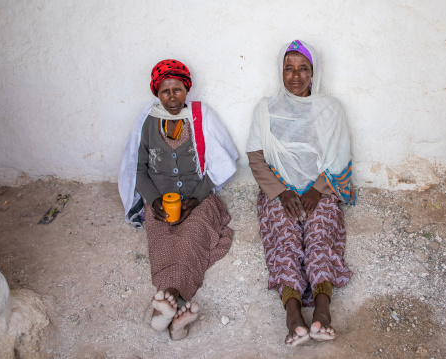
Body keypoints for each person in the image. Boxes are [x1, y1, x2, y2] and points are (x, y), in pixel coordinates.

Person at [118, 59, 238, 340]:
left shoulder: (200, 117)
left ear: (187, 89)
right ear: (156, 94)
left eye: (178, 90)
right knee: (162, 238)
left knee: (192, 235)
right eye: (165, 91)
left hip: (200, 198)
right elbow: (137, 168)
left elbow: (222, 162)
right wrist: (153, 201)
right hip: (161, 200)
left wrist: (195, 200)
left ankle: (167, 306)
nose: (172, 97)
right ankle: (177, 312)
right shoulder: (147, 122)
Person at [246, 40, 356, 347]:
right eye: (288, 68)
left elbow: (339, 157)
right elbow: (256, 157)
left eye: (303, 68)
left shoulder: (329, 109)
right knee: (285, 237)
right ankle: (293, 314)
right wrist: (281, 193)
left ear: (314, 72)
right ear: (280, 71)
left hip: (320, 187)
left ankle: (322, 309)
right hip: (279, 187)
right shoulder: (265, 110)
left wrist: (317, 191)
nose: (295, 76)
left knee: (320, 233)